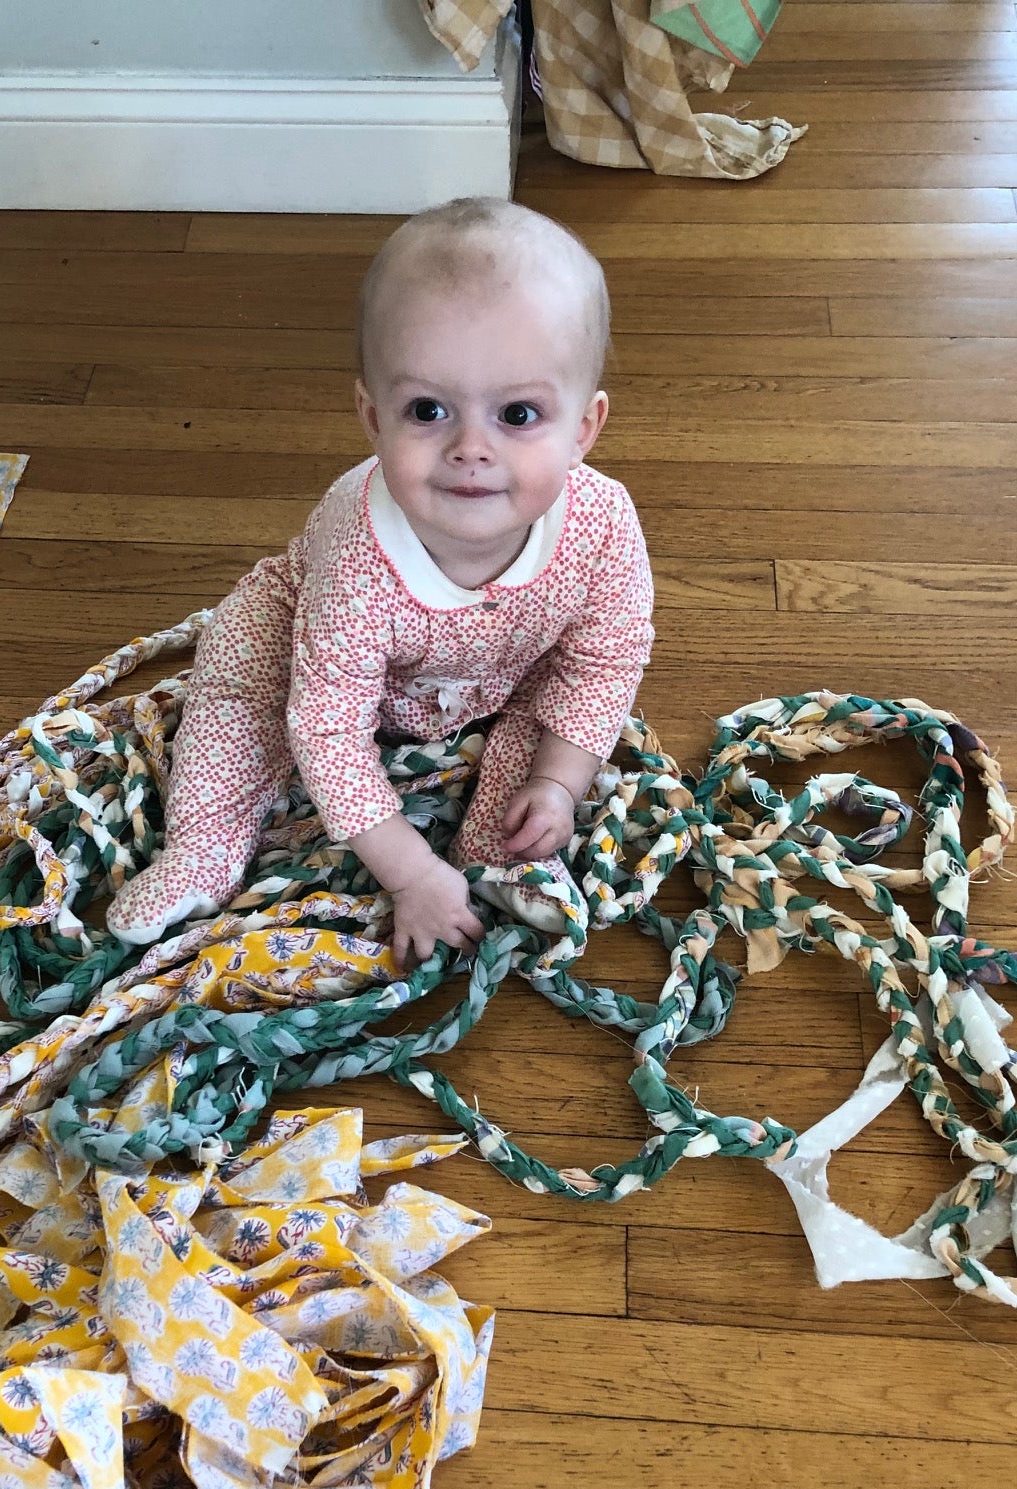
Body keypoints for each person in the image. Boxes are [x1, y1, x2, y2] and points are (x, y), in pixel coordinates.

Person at [106, 195, 655, 967]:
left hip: (501, 664)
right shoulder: (357, 551)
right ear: (372, 418)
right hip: (314, 651)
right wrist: (410, 874)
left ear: (584, 429)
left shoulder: (602, 526)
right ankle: (202, 847)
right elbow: (327, 731)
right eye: (428, 409)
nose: (472, 448)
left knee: (551, 711)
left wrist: (562, 786)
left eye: (519, 414)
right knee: (234, 687)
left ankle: (506, 847)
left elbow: (607, 659)